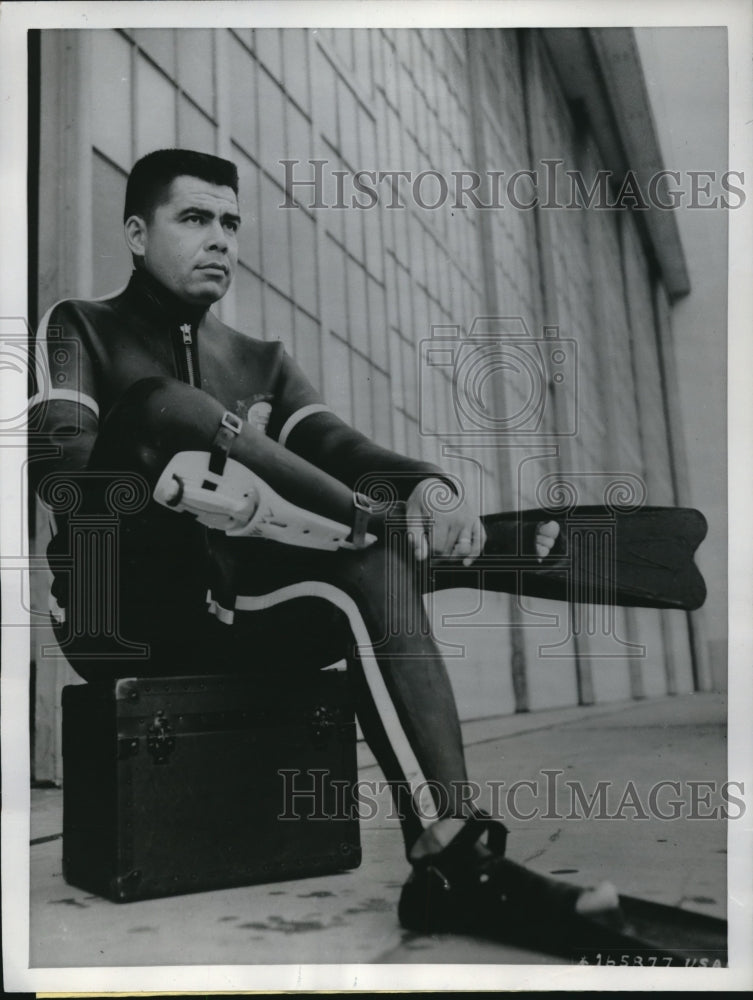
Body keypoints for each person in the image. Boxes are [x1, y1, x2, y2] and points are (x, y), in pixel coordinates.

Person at [29, 149, 623, 944]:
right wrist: (187, 486)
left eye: (231, 223)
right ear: (137, 233)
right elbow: (61, 468)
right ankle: (390, 534)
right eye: (195, 219)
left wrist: (425, 487)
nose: (220, 240)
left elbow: (347, 446)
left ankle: (454, 854)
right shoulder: (80, 327)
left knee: (366, 570)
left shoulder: (262, 361)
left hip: (234, 607)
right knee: (163, 407)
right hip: (120, 609)